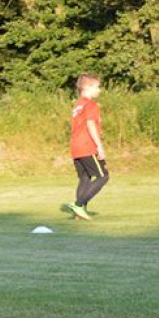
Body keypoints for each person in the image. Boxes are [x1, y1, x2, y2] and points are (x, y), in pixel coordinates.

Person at [63, 73, 108, 221]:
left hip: (75, 147)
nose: (99, 90)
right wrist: (99, 146)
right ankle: (78, 204)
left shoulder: (78, 104)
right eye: (97, 87)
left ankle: (79, 215)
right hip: (87, 146)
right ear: (87, 87)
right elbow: (90, 124)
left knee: (85, 178)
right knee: (103, 176)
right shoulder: (91, 104)